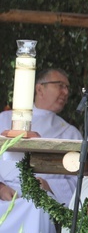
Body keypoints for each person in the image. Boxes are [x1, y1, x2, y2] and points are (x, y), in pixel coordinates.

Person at [0, 68, 82, 232]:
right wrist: (1, 188)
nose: (65, 92)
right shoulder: (3, 119)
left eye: (67, 88)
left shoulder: (71, 133)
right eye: (60, 85)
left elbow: (77, 181)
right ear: (39, 88)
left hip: (40, 199)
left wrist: (48, 185)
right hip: (3, 195)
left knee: (38, 207)